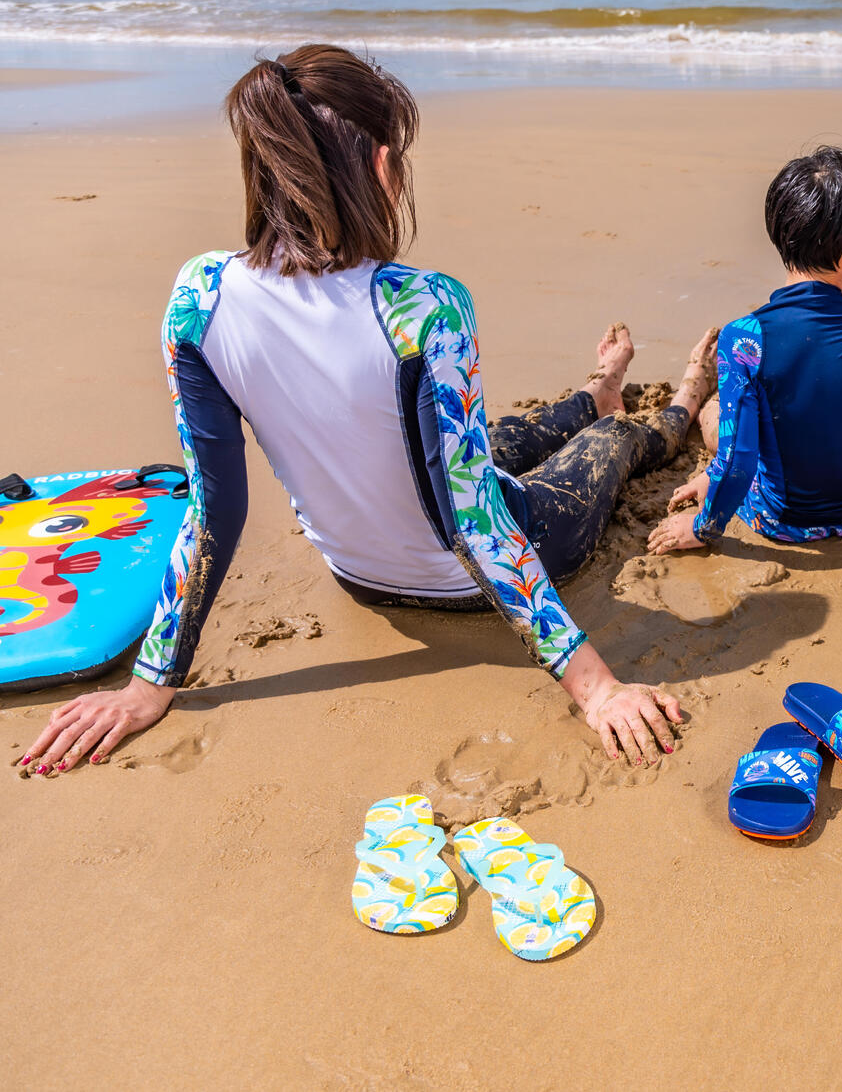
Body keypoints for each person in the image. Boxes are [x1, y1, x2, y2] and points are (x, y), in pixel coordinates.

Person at [21, 44, 710, 778]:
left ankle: (592, 392)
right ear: (382, 167)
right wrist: (595, 687)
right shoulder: (424, 307)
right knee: (612, 447)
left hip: (357, 572)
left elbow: (213, 508)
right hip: (490, 562)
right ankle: (672, 407)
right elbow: (472, 525)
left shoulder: (198, 296)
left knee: (495, 437)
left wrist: (149, 683)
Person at [647, 146, 842, 553]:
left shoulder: (743, 337)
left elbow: (740, 462)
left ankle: (698, 389)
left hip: (785, 524)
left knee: (719, 419)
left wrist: (702, 527)